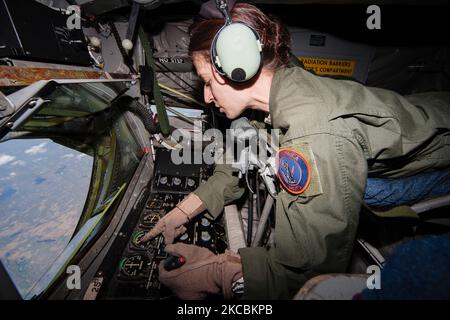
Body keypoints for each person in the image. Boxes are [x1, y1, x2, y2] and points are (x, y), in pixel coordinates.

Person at [141, 3, 450, 299]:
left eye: (208, 82)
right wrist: (185, 210)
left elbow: (311, 275)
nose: (207, 96)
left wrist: (218, 273)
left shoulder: (312, 134)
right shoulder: (279, 86)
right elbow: (241, 156)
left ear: (239, 69)